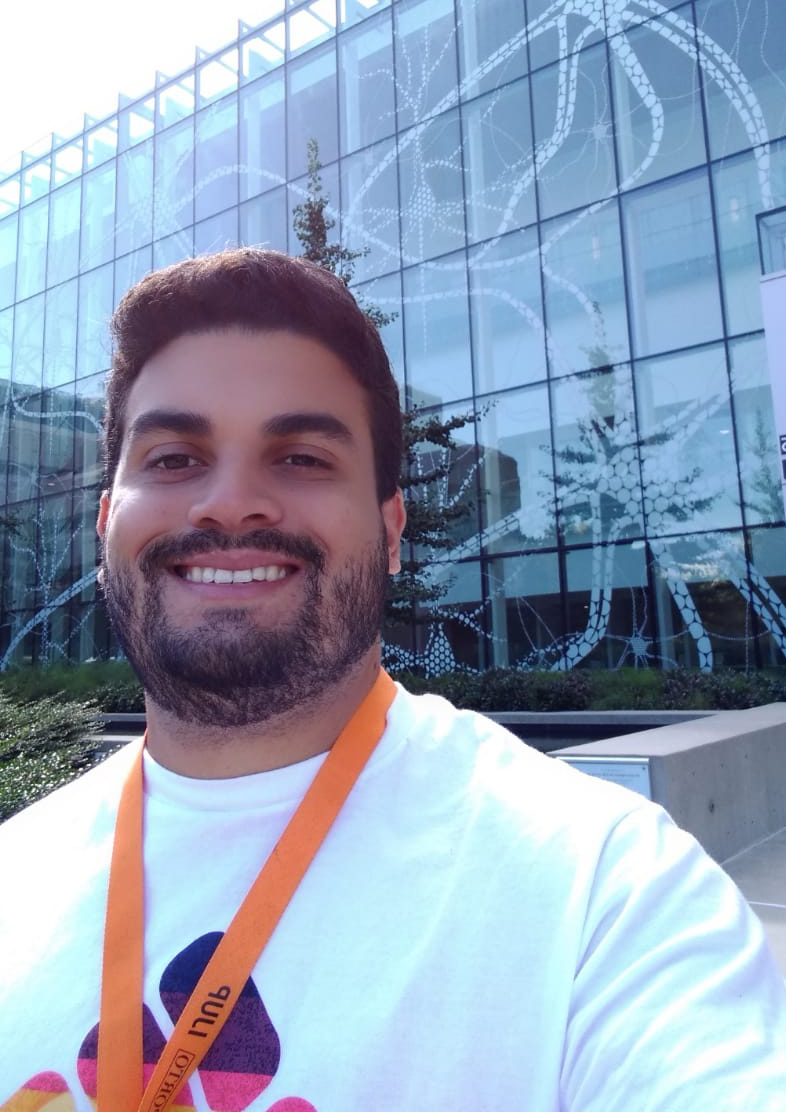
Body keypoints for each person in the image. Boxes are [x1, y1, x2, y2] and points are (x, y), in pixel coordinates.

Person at [0, 249, 784, 1112]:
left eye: (300, 457)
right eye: (174, 458)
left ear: (392, 528)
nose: (229, 503)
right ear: (108, 519)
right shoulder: (15, 874)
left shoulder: (604, 889)